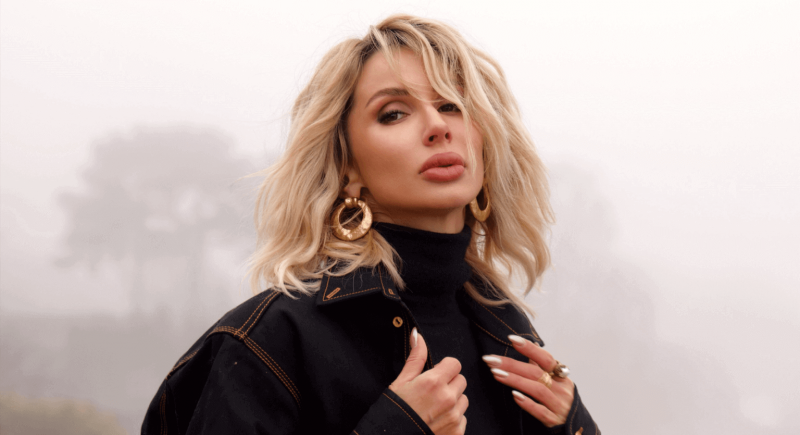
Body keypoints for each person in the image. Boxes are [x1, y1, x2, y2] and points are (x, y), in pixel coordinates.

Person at [142, 14, 598, 435]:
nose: (438, 126)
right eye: (394, 113)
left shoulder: (506, 331)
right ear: (348, 167)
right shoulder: (269, 341)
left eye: (453, 104)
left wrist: (574, 425)